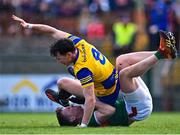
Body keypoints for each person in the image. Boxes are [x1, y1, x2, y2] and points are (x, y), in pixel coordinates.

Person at [12, 15, 177, 127]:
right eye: (68, 109)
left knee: (122, 66)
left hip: (115, 96)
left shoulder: (83, 69)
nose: (58, 61)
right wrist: (29, 25)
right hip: (121, 96)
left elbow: (91, 100)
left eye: (59, 57)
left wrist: (83, 125)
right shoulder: (79, 43)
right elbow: (53, 31)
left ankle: (163, 53)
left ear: (69, 54)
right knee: (119, 69)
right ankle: (161, 53)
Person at [55, 98, 131, 127]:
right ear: (72, 118)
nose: (71, 106)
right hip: (133, 108)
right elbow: (110, 111)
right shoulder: (89, 121)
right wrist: (87, 100)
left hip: (129, 104)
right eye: (69, 108)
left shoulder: (85, 113)